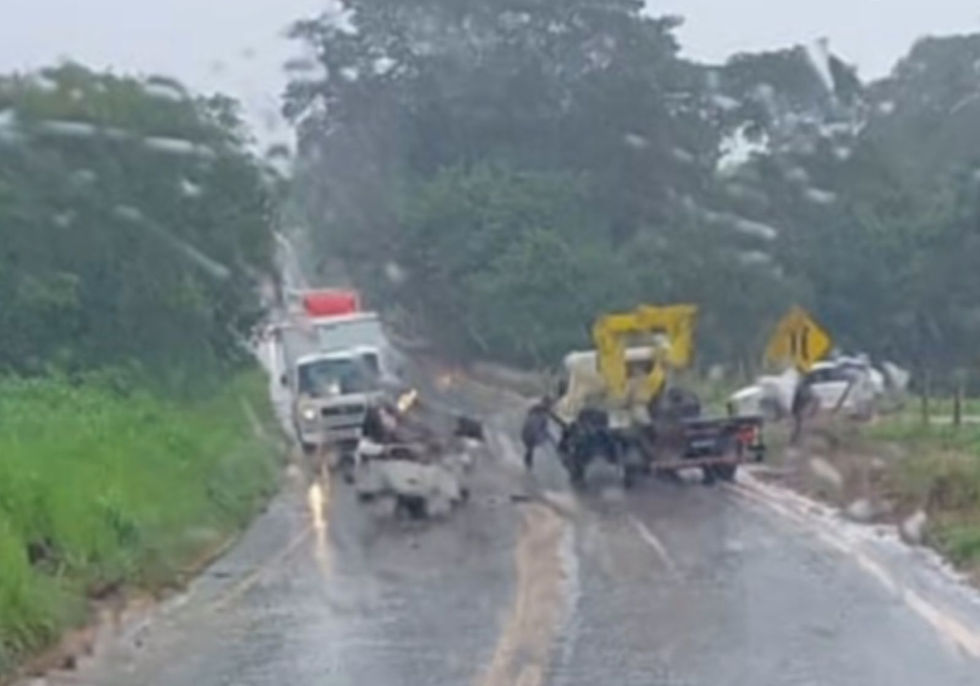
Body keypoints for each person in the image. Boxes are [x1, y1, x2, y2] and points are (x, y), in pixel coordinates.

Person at [521, 395, 555, 470]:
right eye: (551, 405)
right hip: (532, 435)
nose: (552, 407)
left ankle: (528, 465)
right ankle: (530, 466)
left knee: (530, 449)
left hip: (525, 433)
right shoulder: (544, 414)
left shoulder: (534, 409)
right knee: (549, 437)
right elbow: (542, 428)